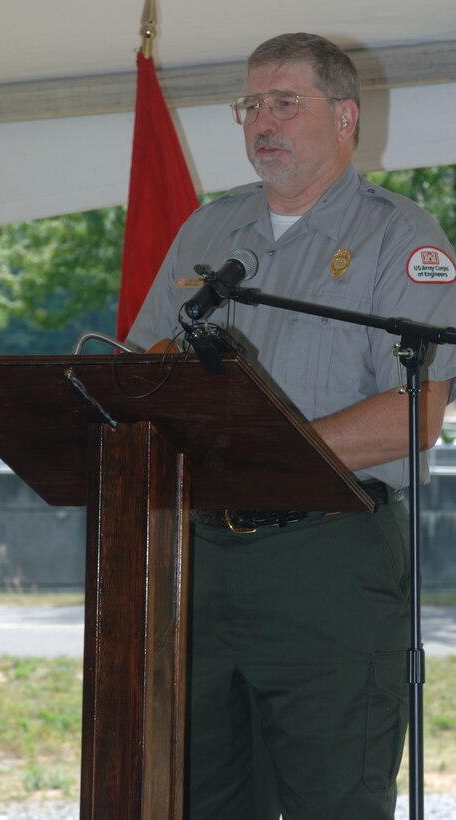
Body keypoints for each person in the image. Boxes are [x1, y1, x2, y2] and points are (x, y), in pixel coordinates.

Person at [126, 32, 456, 820]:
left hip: (329, 557)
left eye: (283, 103)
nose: (260, 122)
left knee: (331, 799)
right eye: (249, 105)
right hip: (197, 559)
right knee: (193, 795)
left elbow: (412, 418)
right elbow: (142, 368)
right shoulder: (208, 233)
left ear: (344, 117)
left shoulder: (400, 239)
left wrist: (263, 455)